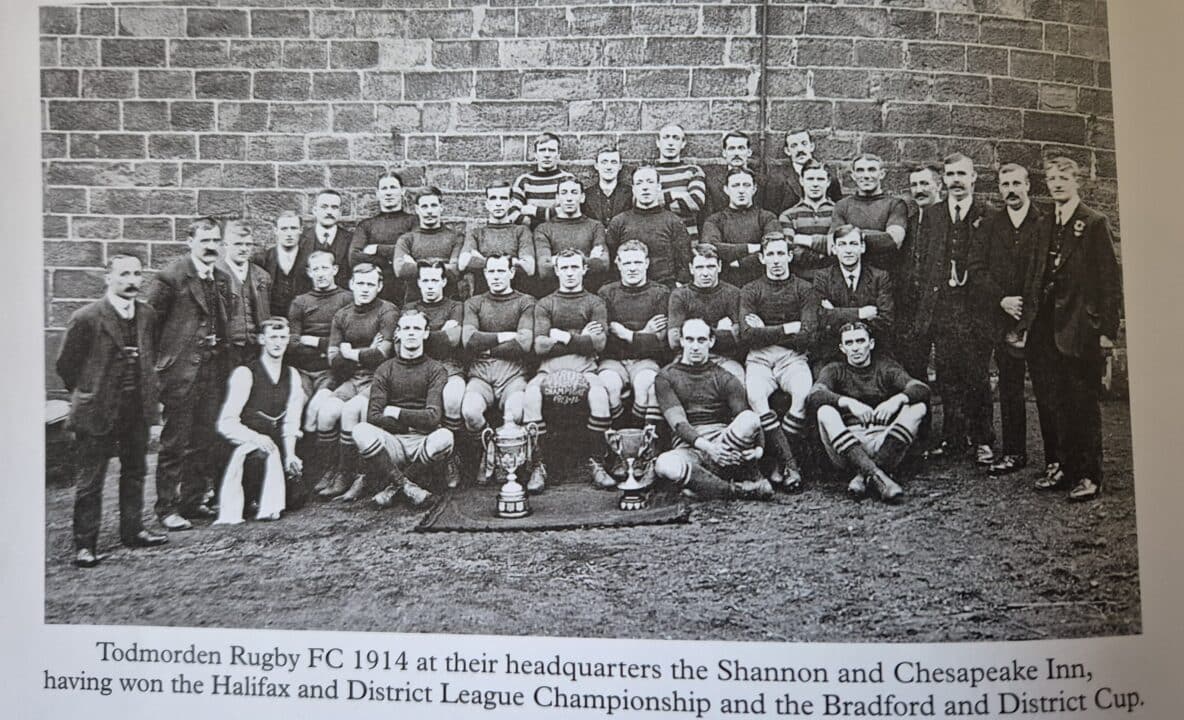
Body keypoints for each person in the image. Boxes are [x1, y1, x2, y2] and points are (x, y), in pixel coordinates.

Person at [1019, 156, 1121, 501]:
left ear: (1077, 181)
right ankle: (1063, 466)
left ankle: (1090, 475)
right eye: (1052, 178)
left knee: (1083, 402)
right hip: (1046, 329)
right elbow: (1035, 275)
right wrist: (1028, 322)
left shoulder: (1094, 223)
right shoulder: (1045, 222)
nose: (1058, 184)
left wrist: (1106, 332)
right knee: (1054, 401)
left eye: (1064, 178)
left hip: (1079, 329)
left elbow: (1110, 282)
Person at [56, 255, 167, 567]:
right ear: (108, 278)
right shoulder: (86, 317)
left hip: (136, 408)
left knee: (135, 472)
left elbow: (150, 354)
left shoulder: (147, 314)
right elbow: (66, 365)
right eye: (124, 274)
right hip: (97, 409)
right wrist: (90, 392)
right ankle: (85, 545)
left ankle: (133, 531)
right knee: (91, 479)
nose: (131, 281)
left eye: (137, 274)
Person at [905, 153, 999, 464]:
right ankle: (953, 438)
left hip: (975, 309)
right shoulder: (933, 214)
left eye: (961, 174)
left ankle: (983, 439)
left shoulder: (988, 214)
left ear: (973, 178)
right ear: (943, 180)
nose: (956, 180)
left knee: (976, 375)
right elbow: (923, 258)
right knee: (947, 376)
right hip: (943, 308)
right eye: (950, 175)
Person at [145, 217, 231, 531]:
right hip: (180, 374)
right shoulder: (170, 278)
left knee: (203, 439)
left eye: (216, 241)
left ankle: (192, 500)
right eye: (205, 240)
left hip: (212, 371)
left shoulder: (221, 278)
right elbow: (149, 327)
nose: (211, 247)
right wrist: (164, 364)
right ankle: (166, 507)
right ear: (190, 241)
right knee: (174, 442)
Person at [807, 322, 930, 504]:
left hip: (885, 441)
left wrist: (897, 400)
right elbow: (814, 395)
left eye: (860, 341)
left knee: (918, 408)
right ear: (842, 348)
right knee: (825, 412)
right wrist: (848, 402)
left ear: (871, 344)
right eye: (849, 343)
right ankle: (879, 476)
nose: (855, 348)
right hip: (848, 445)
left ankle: (864, 474)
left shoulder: (885, 367)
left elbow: (921, 388)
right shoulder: (834, 370)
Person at [652, 318, 772, 500]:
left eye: (701, 340)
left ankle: (704, 486)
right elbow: (678, 423)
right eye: (690, 339)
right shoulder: (666, 377)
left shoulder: (724, 377)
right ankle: (736, 491)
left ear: (711, 341)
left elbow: (749, 418)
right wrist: (709, 448)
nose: (695, 347)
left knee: (750, 418)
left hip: (723, 445)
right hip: (690, 449)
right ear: (682, 341)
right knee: (664, 464)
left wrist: (758, 450)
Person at [521, 249, 612, 491]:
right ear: (557, 270)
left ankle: (597, 462)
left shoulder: (595, 302)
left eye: (574, 267)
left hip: (586, 368)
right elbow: (540, 346)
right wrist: (582, 338)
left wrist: (562, 336)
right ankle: (537, 465)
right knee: (530, 395)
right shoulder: (545, 303)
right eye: (564, 268)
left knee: (600, 395)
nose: (570, 273)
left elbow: (599, 343)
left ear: (584, 269)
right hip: (549, 369)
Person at [974, 163, 1044, 476]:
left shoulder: (1044, 222)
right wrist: (1002, 299)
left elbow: (1046, 273)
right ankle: (1014, 452)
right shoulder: (991, 224)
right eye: (1005, 184)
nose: (1011, 190)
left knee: (1047, 389)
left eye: (1017, 183)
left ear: (1028, 185)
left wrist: (1027, 309)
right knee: (1010, 387)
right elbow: (976, 268)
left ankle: (1058, 459)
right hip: (1002, 318)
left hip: (1038, 319)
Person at [353, 310, 455, 508]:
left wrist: (397, 412)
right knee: (360, 430)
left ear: (425, 333)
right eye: (406, 328)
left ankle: (393, 488)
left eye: (416, 328)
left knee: (445, 437)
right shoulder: (385, 369)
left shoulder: (436, 369)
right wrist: (406, 425)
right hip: (394, 442)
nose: (411, 333)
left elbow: (433, 417)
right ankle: (407, 487)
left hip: (422, 441)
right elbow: (373, 416)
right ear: (398, 333)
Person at [740, 234, 818, 489]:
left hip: (792, 356)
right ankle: (791, 465)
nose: (776, 260)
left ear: (790, 256)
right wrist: (788, 327)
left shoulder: (804, 288)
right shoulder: (751, 290)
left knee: (803, 394)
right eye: (770, 254)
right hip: (759, 358)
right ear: (762, 258)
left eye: (781, 254)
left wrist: (765, 329)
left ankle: (778, 462)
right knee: (755, 396)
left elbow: (808, 334)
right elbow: (747, 335)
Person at [317, 263, 399, 501]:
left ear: (379, 286)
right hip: (353, 378)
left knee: (351, 410)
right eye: (360, 283)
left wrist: (350, 352)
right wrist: (364, 353)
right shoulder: (342, 315)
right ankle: (331, 470)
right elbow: (333, 359)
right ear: (352, 284)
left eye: (370, 284)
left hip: (379, 379)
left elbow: (382, 355)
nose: (364, 289)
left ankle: (351, 474)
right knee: (327, 412)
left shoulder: (388, 311)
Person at [214, 317, 304, 524]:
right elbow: (226, 423)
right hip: (246, 445)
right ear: (262, 340)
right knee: (258, 458)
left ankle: (264, 495)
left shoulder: (292, 374)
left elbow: (291, 421)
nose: (278, 343)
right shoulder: (245, 373)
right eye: (273, 337)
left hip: (274, 443)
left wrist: (290, 455)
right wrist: (255, 438)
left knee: (296, 499)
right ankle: (247, 497)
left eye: (282, 337)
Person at [461, 254, 536, 483]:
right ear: (485, 274)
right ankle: (490, 451)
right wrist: (505, 336)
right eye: (491, 271)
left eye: (501, 271)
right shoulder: (474, 303)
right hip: (481, 374)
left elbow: (523, 343)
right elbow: (469, 340)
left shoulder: (525, 301)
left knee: (516, 411)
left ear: (511, 272)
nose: (496, 276)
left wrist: (487, 347)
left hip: (513, 374)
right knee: (470, 411)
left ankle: (509, 460)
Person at [286, 250, 354, 491]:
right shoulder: (300, 302)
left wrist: (313, 341)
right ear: (309, 272)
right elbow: (292, 342)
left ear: (334, 270)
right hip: (304, 370)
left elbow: (348, 340)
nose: (321, 274)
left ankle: (323, 470)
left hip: (331, 372)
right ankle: (297, 471)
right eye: (316, 269)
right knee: (294, 408)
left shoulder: (346, 299)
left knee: (316, 410)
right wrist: (325, 344)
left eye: (325, 268)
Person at [401, 260, 466, 487]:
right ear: (419, 282)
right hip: (418, 366)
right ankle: (419, 463)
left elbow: (453, 340)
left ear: (443, 282)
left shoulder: (455, 306)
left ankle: (451, 457)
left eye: (435, 280)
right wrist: (440, 333)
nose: (430, 286)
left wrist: (423, 335)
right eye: (426, 280)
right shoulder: (409, 307)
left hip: (449, 367)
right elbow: (403, 344)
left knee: (453, 397)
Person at [597, 240, 671, 428]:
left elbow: (659, 342)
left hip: (646, 360)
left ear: (646, 263)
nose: (632, 268)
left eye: (637, 262)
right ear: (618, 264)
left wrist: (627, 333)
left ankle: (640, 437)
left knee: (646, 382)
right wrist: (645, 332)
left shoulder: (660, 293)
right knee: (608, 384)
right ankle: (618, 435)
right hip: (614, 360)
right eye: (627, 263)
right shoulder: (606, 293)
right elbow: (607, 339)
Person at [813, 225, 895, 362]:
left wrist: (835, 313)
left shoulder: (879, 277)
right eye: (842, 244)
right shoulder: (823, 277)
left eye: (853, 244)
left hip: (872, 354)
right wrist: (860, 313)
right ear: (834, 249)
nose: (848, 250)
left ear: (862, 247)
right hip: (833, 354)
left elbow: (886, 320)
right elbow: (819, 317)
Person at [667, 244, 745, 380]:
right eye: (699, 267)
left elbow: (739, 338)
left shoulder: (733, 293)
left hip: (723, 359)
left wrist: (690, 331)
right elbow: (674, 340)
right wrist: (720, 332)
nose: (705, 273)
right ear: (691, 268)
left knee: (737, 380)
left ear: (719, 266)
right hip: (687, 359)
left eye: (710, 267)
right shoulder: (680, 295)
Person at [606, 165, 692, 287]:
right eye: (639, 183)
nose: (645, 187)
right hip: (629, 289)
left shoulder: (673, 222)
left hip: (665, 288)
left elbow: (684, 263)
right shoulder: (619, 222)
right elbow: (611, 262)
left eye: (650, 182)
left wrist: (677, 286)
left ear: (659, 187)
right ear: (633, 189)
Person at [701, 166, 782, 287]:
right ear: (726, 189)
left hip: (762, 284)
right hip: (726, 284)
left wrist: (740, 263)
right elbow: (710, 248)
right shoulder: (714, 220)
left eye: (746, 185)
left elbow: (774, 248)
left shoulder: (767, 217)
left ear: (754, 189)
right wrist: (750, 248)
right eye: (735, 185)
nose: (741, 190)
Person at [830, 153, 908, 274]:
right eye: (860, 170)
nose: (866, 176)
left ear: (882, 174)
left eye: (871, 170)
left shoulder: (895, 204)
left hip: (885, 274)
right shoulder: (842, 205)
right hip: (851, 275)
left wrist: (850, 236)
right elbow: (834, 241)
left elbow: (893, 240)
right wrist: (877, 236)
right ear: (853, 175)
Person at [349, 170, 418, 304]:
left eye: (393, 187)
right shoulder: (366, 225)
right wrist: (392, 260)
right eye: (384, 188)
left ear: (402, 191)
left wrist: (378, 249)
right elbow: (354, 257)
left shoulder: (414, 221)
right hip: (375, 291)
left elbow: (416, 251)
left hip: (407, 289)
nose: (388, 192)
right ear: (378, 193)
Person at [534, 177, 610, 294]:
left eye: (574, 192)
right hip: (555, 295)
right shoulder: (543, 229)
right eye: (564, 193)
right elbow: (544, 270)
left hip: (589, 293)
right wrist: (588, 259)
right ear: (557, 198)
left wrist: (556, 260)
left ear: (582, 197)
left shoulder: (595, 226)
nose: (569, 198)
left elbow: (603, 265)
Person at [460, 181, 535, 296]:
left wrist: (482, 260)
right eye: (493, 198)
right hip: (483, 298)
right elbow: (463, 263)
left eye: (503, 198)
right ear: (487, 204)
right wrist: (513, 261)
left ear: (510, 202)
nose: (498, 203)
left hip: (516, 298)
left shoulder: (521, 231)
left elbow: (529, 268)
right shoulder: (476, 233)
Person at [393, 186, 463, 302]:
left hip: (449, 304)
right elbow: (400, 270)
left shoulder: (456, 238)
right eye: (424, 206)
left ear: (441, 207)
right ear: (417, 209)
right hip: (414, 304)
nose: (429, 211)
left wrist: (417, 264)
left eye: (433, 205)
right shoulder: (406, 239)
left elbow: (455, 272)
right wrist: (442, 264)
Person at [218, 220, 272, 368]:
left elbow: (267, 312)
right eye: (238, 244)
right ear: (226, 245)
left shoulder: (262, 276)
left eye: (248, 244)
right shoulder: (214, 275)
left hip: (255, 349)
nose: (244, 249)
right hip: (225, 350)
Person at [778, 161, 838, 281]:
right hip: (800, 279)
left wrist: (801, 239)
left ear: (828, 182)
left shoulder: (839, 211)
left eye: (820, 179)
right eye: (810, 179)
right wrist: (822, 255)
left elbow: (839, 245)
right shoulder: (788, 215)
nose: (815, 184)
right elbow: (789, 249)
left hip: (833, 278)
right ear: (801, 181)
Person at [705, 130, 787, 215]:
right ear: (724, 153)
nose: (736, 153)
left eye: (741, 148)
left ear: (749, 152)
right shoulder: (712, 184)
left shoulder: (763, 182)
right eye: (731, 148)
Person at [508, 131, 575, 228]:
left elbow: (570, 211)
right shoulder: (524, 181)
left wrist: (534, 211)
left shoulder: (567, 179)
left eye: (551, 150)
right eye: (542, 150)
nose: (547, 155)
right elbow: (512, 213)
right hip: (531, 235)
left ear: (558, 154)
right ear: (535, 154)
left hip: (561, 234)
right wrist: (539, 225)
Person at [654, 123, 707, 241]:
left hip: (688, 239)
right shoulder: (648, 172)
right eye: (666, 137)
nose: (670, 142)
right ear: (658, 142)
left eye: (676, 138)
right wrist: (677, 195)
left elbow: (696, 202)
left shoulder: (693, 171)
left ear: (683, 143)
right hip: (657, 237)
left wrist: (660, 200)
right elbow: (641, 202)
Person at [254, 210, 309, 317]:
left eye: (293, 228)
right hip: (271, 319)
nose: (289, 234)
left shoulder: (310, 259)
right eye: (284, 229)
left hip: (302, 318)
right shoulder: (262, 259)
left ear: (301, 230)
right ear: (275, 230)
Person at [776, 128, 843, 210]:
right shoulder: (778, 179)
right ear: (787, 151)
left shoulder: (829, 177)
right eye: (794, 146)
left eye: (804, 144)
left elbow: (839, 210)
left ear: (811, 146)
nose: (800, 149)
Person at [299, 189, 352, 271]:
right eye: (324, 207)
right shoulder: (300, 240)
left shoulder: (352, 240)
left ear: (340, 212)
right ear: (315, 211)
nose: (329, 212)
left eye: (334, 207)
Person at [582, 146, 632, 227]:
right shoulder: (586, 195)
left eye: (613, 162)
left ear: (620, 166)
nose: (609, 167)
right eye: (604, 162)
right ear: (596, 165)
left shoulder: (631, 193)